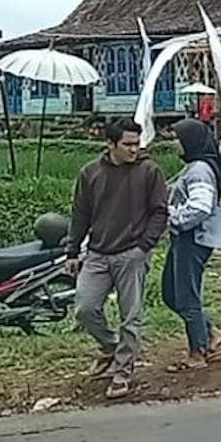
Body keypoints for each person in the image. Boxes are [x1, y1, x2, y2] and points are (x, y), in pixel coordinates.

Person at [67, 117, 169, 399]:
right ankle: (112, 348)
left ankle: (123, 371)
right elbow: (81, 214)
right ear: (111, 144)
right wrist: (72, 250)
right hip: (98, 253)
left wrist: (144, 246)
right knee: (85, 309)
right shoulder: (90, 173)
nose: (134, 149)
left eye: (137, 143)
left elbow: (160, 211)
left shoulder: (150, 172)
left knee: (131, 316)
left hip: (131, 254)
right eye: (128, 144)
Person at [163, 119, 221, 370]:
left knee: (186, 297)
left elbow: (200, 207)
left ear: (189, 142)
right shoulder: (199, 167)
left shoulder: (199, 170)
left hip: (192, 238)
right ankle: (210, 332)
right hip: (186, 238)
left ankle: (198, 352)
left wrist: (171, 217)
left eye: (177, 138)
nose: (174, 143)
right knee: (171, 294)